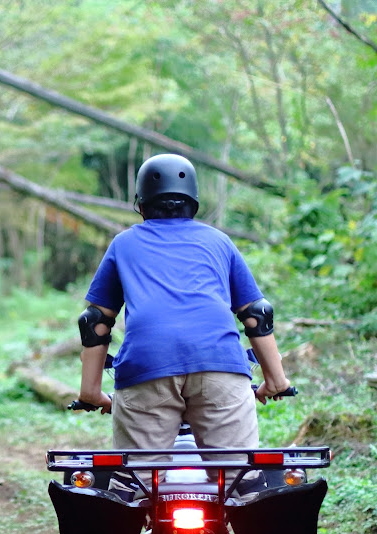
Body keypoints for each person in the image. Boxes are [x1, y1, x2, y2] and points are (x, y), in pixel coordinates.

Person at [76, 153, 290, 501]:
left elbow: (96, 321)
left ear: (141, 206)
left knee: (136, 487)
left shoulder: (124, 243)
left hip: (146, 370)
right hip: (220, 366)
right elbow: (256, 314)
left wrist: (90, 393)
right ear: (193, 202)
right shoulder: (219, 241)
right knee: (243, 486)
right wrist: (276, 382)